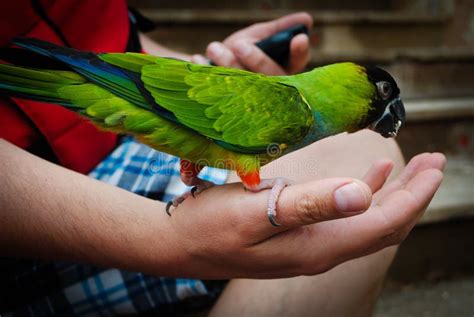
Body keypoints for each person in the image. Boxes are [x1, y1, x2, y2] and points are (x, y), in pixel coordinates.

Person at [0, 1, 445, 316]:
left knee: (364, 157)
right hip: (38, 187)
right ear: (346, 87)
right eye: (382, 93)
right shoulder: (295, 112)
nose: (388, 106)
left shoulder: (294, 108)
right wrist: (176, 241)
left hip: (141, 115)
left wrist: (220, 72)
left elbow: (137, 48)